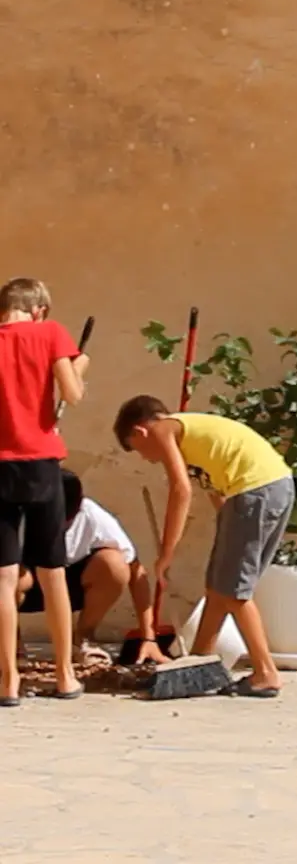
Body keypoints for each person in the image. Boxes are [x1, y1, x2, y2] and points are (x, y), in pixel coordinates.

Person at [112, 395, 293, 698]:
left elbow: (180, 491)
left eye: (137, 449)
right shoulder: (193, 442)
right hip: (268, 489)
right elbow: (218, 496)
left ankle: (266, 673)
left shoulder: (163, 429)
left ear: (140, 432)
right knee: (218, 587)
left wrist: (166, 554)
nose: (146, 458)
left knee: (234, 591)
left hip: (254, 492)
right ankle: (197, 663)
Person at [0, 277, 89, 706]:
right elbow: (72, 394)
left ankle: (7, 681)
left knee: (1, 575)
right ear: (38, 310)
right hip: (40, 463)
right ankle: (64, 675)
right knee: (52, 569)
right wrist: (79, 367)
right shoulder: (50, 333)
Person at [17, 469, 167, 667]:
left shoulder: (93, 516)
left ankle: (83, 641)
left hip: (70, 585)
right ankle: (12, 647)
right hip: (25, 588)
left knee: (114, 564)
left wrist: (148, 638)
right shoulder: (15, 517)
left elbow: (136, 571)